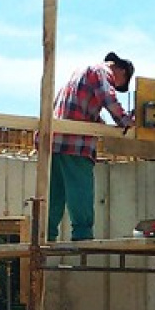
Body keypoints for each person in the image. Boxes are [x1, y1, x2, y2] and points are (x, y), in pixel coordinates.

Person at [46, 52, 136, 241]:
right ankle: (82, 236)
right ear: (120, 70)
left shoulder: (79, 72)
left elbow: (81, 107)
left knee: (55, 193)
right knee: (80, 191)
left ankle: (46, 235)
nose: (117, 86)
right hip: (75, 143)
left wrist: (100, 124)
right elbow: (108, 97)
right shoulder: (102, 71)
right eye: (120, 83)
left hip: (54, 141)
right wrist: (125, 119)